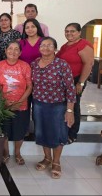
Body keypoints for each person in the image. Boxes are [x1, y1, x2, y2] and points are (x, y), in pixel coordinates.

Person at [31, 37, 76, 179]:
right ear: (39, 49)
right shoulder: (34, 64)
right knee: (41, 131)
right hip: (38, 104)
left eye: (49, 45)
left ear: (55, 48)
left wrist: (70, 110)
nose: (45, 48)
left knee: (58, 133)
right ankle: (47, 158)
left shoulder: (62, 65)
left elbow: (70, 89)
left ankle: (56, 162)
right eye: (43, 45)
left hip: (58, 105)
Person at [0, 40, 32, 165]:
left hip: (21, 105)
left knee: (20, 131)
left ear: (20, 52)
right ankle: (6, 153)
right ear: (5, 51)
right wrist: (2, 100)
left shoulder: (25, 66)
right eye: (10, 49)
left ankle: (18, 153)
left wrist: (20, 101)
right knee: (4, 130)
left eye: (16, 49)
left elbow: (29, 86)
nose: (13, 51)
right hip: (3, 106)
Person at [56, 23, 94, 144]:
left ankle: (72, 134)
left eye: (72, 31)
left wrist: (81, 83)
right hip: (64, 81)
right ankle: (64, 129)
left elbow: (89, 64)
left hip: (77, 79)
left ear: (79, 32)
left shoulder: (83, 45)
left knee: (74, 106)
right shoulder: (65, 46)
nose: (69, 33)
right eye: (67, 31)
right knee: (66, 106)